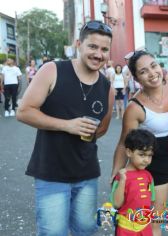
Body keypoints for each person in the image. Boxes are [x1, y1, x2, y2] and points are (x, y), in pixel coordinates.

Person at [16, 20, 115, 235]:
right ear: (79, 44)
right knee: (54, 232)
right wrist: (67, 125)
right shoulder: (53, 70)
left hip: (87, 174)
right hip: (51, 172)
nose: (98, 54)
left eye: (104, 49)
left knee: (86, 230)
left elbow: (102, 129)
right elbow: (24, 111)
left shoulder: (107, 87)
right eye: (93, 46)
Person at [112, 50, 168, 236]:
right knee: (154, 223)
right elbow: (122, 144)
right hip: (154, 166)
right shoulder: (135, 107)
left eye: (153, 66)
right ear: (136, 78)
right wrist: (115, 176)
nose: (152, 73)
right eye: (143, 71)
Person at [111, 129, 157, 236]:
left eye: (149, 155)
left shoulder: (148, 176)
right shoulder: (121, 176)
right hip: (126, 228)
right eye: (142, 155)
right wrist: (122, 181)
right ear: (129, 152)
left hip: (145, 226)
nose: (146, 160)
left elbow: (152, 200)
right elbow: (116, 204)